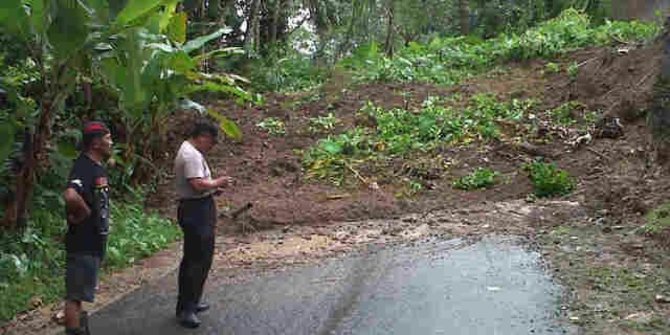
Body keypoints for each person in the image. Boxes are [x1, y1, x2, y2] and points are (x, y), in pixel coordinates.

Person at [174, 120, 232, 328]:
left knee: (194, 257)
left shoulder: (189, 151)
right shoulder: (190, 155)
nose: (211, 147)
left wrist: (211, 190)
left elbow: (198, 185)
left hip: (196, 206)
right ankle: (187, 308)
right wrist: (218, 182)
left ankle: (188, 303)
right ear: (203, 137)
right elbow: (197, 184)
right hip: (195, 209)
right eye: (212, 142)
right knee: (198, 258)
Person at [62, 122, 113, 335]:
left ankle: (81, 329)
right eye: (108, 138)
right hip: (82, 240)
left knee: (81, 293)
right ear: (95, 143)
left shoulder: (96, 166)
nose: (111, 142)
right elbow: (70, 194)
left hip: (93, 240)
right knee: (75, 295)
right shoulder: (83, 166)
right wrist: (84, 213)